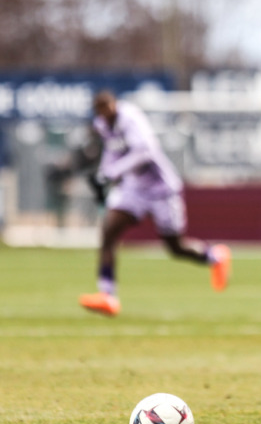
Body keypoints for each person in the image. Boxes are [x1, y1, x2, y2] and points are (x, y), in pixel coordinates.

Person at [78, 91, 231, 316]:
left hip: (161, 189)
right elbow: (111, 152)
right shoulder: (102, 124)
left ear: (114, 105)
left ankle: (214, 258)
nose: (106, 115)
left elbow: (145, 152)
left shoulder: (130, 118)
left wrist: (111, 173)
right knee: (108, 233)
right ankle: (107, 296)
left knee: (175, 247)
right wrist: (103, 175)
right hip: (134, 188)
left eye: (108, 109)